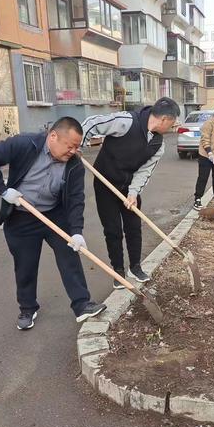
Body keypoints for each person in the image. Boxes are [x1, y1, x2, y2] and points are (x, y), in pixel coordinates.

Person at [0, 117, 106, 330]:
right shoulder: (25, 144)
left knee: (69, 257)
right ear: (54, 136)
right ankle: (27, 309)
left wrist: (76, 232)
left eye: (77, 147)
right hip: (21, 216)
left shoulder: (74, 164)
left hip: (54, 215)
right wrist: (2, 190)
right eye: (70, 146)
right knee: (25, 265)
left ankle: (82, 304)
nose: (74, 151)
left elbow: (76, 199)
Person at [81, 97, 180, 289]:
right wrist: (78, 145)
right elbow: (92, 123)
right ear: (165, 120)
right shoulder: (126, 121)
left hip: (128, 187)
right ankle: (117, 270)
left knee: (134, 228)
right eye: (173, 123)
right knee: (113, 230)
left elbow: (144, 171)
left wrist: (133, 193)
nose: (172, 127)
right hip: (105, 183)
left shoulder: (158, 144)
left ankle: (135, 267)